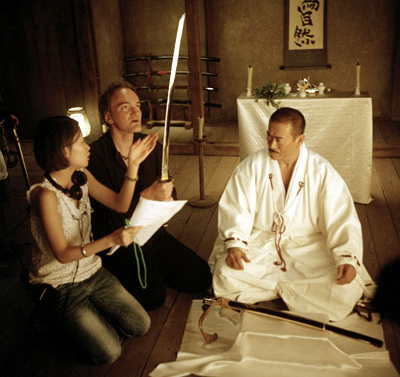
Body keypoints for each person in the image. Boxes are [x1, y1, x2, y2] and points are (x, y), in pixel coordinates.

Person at [210, 107, 373, 321]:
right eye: (269, 136)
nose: (271, 144)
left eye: (279, 139)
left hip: (309, 245)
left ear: (299, 139)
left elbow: (341, 219)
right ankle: (294, 296)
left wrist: (345, 256)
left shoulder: (321, 170)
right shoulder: (251, 166)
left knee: (344, 289)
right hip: (261, 241)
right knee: (225, 274)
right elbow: (236, 209)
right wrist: (236, 244)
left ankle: (268, 292)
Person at [28, 115, 158, 365]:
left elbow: (120, 204)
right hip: (58, 284)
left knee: (140, 325)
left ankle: (84, 317)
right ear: (64, 151)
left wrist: (132, 166)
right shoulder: (45, 196)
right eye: (80, 141)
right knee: (109, 353)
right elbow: (63, 255)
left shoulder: (81, 176)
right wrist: (112, 239)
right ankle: (53, 317)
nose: (88, 147)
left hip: (91, 271)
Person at [88, 81, 212, 310]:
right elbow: (104, 219)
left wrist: (166, 196)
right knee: (153, 297)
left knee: (201, 276)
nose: (136, 112)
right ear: (108, 117)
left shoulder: (150, 145)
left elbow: (167, 186)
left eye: (137, 105)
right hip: (118, 241)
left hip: (151, 233)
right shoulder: (95, 156)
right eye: (125, 107)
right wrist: (145, 196)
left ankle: (153, 269)